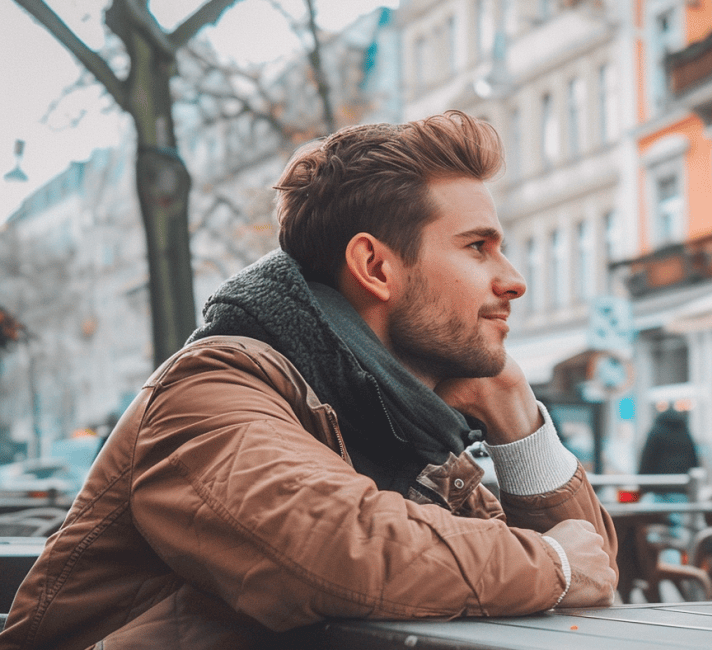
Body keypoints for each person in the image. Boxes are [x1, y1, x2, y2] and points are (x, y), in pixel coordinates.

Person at [0, 113, 617, 648]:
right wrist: (555, 565)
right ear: (375, 266)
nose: (513, 280)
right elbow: (336, 545)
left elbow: (592, 580)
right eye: (477, 247)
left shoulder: (403, 430)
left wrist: (514, 408)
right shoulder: (213, 388)